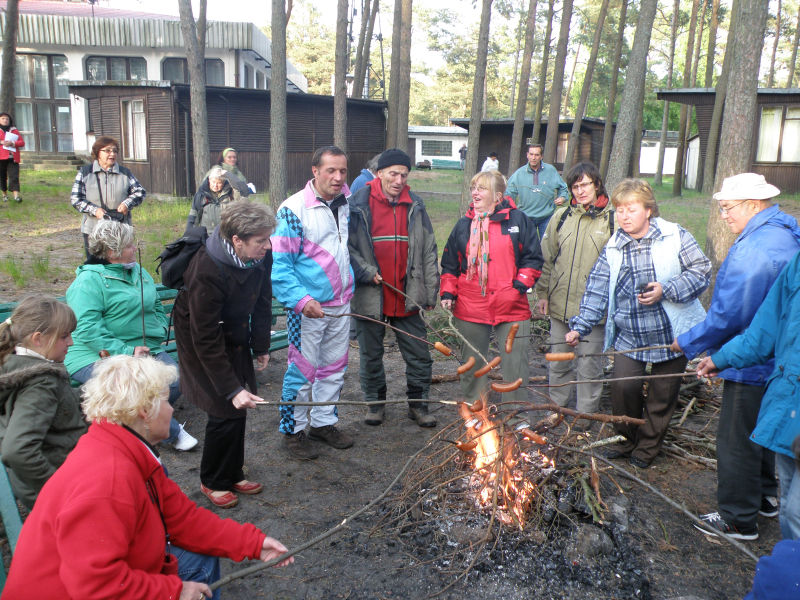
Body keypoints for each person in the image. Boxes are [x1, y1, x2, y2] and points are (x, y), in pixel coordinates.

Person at [2, 354, 293, 599]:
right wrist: (172, 591)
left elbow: (182, 519)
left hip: (96, 579)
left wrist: (253, 544)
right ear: (144, 411)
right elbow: (95, 586)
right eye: (167, 402)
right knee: (192, 571)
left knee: (198, 558)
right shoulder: (108, 480)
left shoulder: (127, 449)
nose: (172, 410)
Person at [672, 173, 800, 541]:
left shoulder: (754, 250)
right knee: (766, 430)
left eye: (728, 208)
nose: (724, 215)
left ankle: (736, 518)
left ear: (753, 205)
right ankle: (765, 497)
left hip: (756, 363)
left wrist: (692, 343)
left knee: (736, 439)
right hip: (778, 364)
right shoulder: (786, 234)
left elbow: (731, 316)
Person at [566, 179, 711, 468]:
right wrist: (580, 326)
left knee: (662, 396)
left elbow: (701, 270)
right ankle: (626, 440)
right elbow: (597, 288)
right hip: (630, 335)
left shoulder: (674, 235)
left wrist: (666, 289)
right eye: (619, 210)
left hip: (672, 335)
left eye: (631, 209)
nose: (624, 216)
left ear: (648, 210)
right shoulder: (614, 246)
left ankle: (646, 450)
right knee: (623, 387)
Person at [65, 220, 197, 452]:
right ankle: (169, 432)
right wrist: (126, 351)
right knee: (134, 388)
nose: (134, 249)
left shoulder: (138, 271)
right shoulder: (88, 281)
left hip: (143, 348)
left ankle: (131, 422)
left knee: (175, 381)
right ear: (110, 251)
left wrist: (153, 333)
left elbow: (155, 303)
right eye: (128, 246)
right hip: (93, 354)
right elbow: (86, 328)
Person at [174, 201, 274, 508]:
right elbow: (205, 338)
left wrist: (261, 344)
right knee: (224, 404)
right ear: (237, 240)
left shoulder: (259, 256)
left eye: (268, 239)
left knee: (241, 405)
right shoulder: (206, 268)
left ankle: (233, 471)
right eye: (261, 241)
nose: (268, 246)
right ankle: (212, 480)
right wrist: (230, 387)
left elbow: (262, 298)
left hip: (234, 330)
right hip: (199, 337)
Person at [697, 249, 800, 541]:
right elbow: (765, 330)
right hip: (788, 404)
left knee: (796, 513)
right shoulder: (797, 265)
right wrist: (723, 358)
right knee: (789, 512)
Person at [272, 146, 355, 461]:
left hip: (341, 302)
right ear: (315, 171)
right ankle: (293, 430)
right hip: (308, 308)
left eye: (342, 171)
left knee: (333, 367)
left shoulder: (346, 203)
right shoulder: (293, 210)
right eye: (331, 170)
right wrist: (301, 300)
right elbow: (280, 267)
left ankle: (323, 422)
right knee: (303, 369)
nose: (337, 177)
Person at [348, 148, 440, 427]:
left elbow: (428, 250)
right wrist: (366, 272)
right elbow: (346, 248)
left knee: (419, 354)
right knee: (370, 354)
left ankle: (418, 404)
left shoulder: (416, 204)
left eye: (404, 174)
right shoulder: (357, 203)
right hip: (371, 293)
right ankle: (375, 405)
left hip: (407, 293)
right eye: (393, 174)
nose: (399, 180)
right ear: (379, 174)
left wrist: (430, 290)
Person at [440, 170, 543, 403]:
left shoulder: (518, 220)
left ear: (498, 196)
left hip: (511, 305)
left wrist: (518, 287)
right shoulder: (463, 225)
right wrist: (448, 292)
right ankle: (476, 412)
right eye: (473, 188)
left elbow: (533, 259)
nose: (475, 193)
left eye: (482, 188)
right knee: (472, 364)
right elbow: (449, 265)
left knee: (515, 366)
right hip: (470, 305)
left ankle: (516, 416)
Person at [535, 162, 615, 420]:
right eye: (575, 186)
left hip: (594, 311)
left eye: (585, 184)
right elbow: (547, 258)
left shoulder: (612, 219)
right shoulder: (561, 217)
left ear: (597, 184)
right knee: (558, 361)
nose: (580, 191)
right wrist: (543, 293)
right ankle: (557, 409)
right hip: (560, 305)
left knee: (589, 364)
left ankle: (585, 414)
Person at [0, 295, 86, 510]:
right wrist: (58, 489)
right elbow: (17, 450)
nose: (71, 343)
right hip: (61, 489)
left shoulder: (17, 364)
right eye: (64, 336)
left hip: (49, 479)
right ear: (38, 339)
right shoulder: (41, 382)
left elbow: (57, 405)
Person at [70, 136, 146, 257]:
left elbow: (140, 192)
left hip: (120, 229)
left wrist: (127, 204)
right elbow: (76, 199)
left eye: (115, 151)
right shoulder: (85, 173)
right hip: (93, 228)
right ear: (97, 153)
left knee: (120, 263)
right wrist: (95, 211)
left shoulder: (125, 173)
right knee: (95, 265)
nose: (112, 154)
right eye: (107, 150)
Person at [507, 144, 569, 240]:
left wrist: (563, 197)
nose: (533, 158)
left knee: (546, 248)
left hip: (546, 217)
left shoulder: (551, 171)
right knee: (528, 249)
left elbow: (563, 188)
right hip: (526, 217)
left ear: (541, 156)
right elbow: (509, 195)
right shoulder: (519, 174)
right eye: (531, 154)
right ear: (527, 155)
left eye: (536, 155)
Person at [186, 165, 237, 232]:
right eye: (213, 182)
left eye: (219, 183)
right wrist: (189, 234)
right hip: (206, 236)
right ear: (209, 180)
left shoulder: (231, 194)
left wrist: (229, 175)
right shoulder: (201, 195)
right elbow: (193, 217)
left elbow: (242, 190)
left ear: (224, 183)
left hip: (225, 235)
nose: (215, 185)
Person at [0, 112, 24, 203]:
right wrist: (1, 142)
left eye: (7, 119)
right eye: (3, 118)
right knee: (2, 177)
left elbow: (22, 143)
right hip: (1, 157)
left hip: (13, 157)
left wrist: (13, 143)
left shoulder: (14, 130)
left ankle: (16, 196)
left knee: (14, 176)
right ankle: (4, 194)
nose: (5, 120)